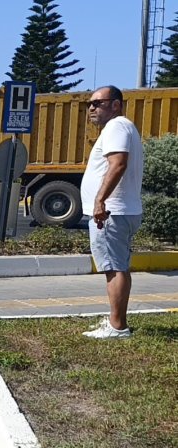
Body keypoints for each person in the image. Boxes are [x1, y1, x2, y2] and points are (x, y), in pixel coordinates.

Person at [80, 85, 144, 339]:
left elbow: (118, 164)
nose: (92, 108)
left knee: (114, 268)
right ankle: (116, 321)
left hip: (111, 212)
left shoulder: (116, 126)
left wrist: (100, 200)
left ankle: (117, 327)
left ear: (116, 104)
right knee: (118, 266)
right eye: (90, 104)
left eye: (98, 103)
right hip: (120, 210)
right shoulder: (124, 127)